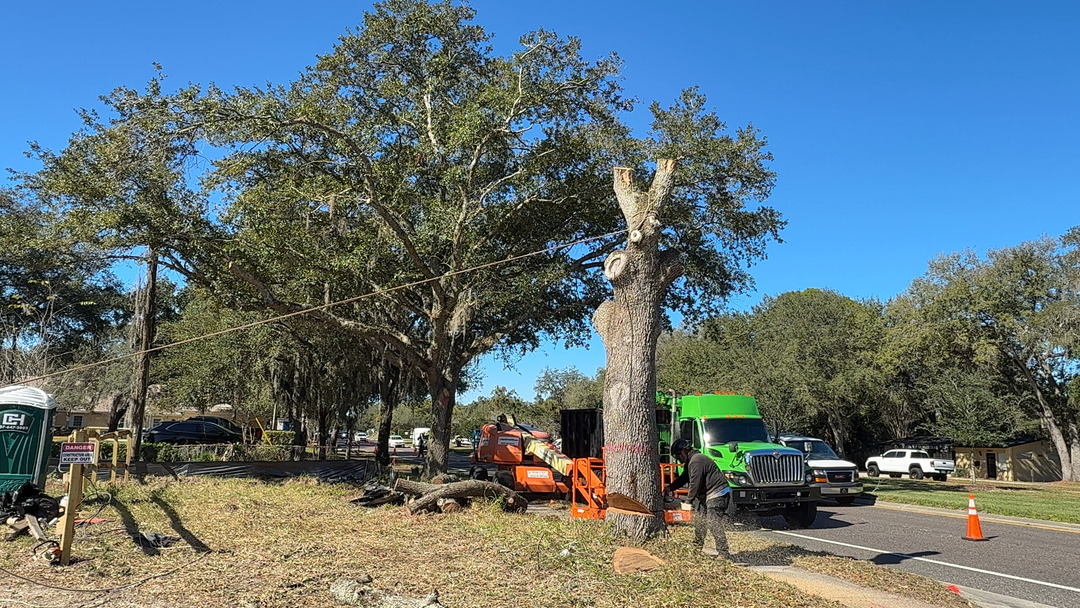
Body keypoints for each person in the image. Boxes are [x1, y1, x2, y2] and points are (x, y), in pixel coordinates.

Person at [665, 437, 731, 558]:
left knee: (713, 522)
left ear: (684, 451)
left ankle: (724, 553)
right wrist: (670, 488)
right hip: (706, 495)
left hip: (717, 493)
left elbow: (695, 484)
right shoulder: (691, 462)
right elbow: (684, 478)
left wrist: (688, 501)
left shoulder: (696, 461)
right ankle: (696, 548)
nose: (679, 460)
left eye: (678, 456)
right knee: (700, 523)